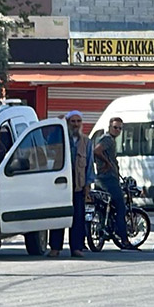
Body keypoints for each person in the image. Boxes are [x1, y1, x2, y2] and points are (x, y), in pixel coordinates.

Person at [49, 110, 94, 258]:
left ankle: (76, 248)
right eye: (72, 121)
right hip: (60, 184)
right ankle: (55, 247)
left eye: (78, 121)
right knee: (59, 216)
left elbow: (89, 164)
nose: (75, 124)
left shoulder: (86, 142)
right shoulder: (60, 138)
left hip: (78, 184)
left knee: (78, 218)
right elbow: (49, 146)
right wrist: (57, 124)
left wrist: (88, 185)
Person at [93, 117, 139, 251]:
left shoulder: (106, 138)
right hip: (108, 179)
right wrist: (107, 162)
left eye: (120, 128)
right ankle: (124, 239)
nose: (117, 130)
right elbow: (97, 150)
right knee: (120, 207)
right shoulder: (107, 139)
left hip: (101, 178)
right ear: (109, 127)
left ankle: (103, 229)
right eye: (115, 127)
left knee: (103, 207)